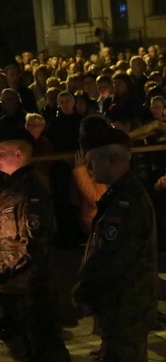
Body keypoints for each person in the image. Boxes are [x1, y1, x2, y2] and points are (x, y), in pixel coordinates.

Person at [73, 128, 158, 361]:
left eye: (92, 161)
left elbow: (112, 257)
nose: (89, 168)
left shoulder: (127, 201)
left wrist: (83, 291)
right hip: (121, 304)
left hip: (126, 305)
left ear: (111, 160)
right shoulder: (119, 195)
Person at [0, 126, 70, 361]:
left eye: (1, 153)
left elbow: (30, 245)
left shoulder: (31, 191)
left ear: (19, 153)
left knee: (46, 350)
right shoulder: (10, 186)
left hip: (31, 288)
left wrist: (1, 269)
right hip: (14, 287)